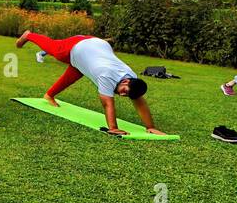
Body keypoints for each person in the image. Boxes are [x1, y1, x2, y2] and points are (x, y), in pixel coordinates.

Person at [15, 29, 165, 135]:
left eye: (126, 94)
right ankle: (29, 35)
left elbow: (140, 102)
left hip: (95, 47)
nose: (122, 94)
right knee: (56, 49)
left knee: (77, 71)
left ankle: (49, 95)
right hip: (80, 46)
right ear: (125, 81)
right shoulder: (107, 75)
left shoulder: (132, 79)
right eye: (124, 91)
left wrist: (150, 127)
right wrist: (112, 128)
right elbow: (107, 103)